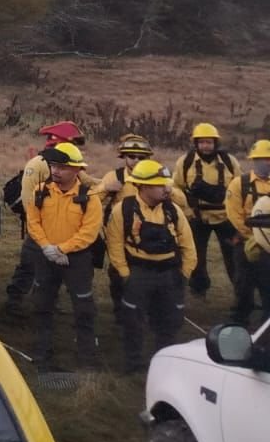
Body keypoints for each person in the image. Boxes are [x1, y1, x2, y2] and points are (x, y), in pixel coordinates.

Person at [107, 160, 196, 374]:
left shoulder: (173, 210)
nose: (167, 189)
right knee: (133, 321)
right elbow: (115, 244)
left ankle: (165, 364)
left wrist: (184, 273)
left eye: (166, 184)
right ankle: (134, 364)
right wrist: (125, 274)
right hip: (138, 274)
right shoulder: (123, 210)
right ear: (143, 186)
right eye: (159, 185)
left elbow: (188, 244)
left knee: (170, 322)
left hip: (170, 274)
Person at [25, 144, 103, 368]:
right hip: (46, 257)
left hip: (77, 261)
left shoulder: (89, 197)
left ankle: (86, 355)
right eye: (53, 166)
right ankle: (42, 350)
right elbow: (33, 222)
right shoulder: (40, 190)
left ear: (77, 169)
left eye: (62, 167)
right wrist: (46, 247)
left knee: (83, 307)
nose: (55, 171)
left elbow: (89, 232)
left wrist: (62, 249)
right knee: (42, 304)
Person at [4, 120, 86, 318]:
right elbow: (28, 200)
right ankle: (13, 303)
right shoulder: (37, 164)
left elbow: (84, 183)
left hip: (60, 228)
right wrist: (37, 227)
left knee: (54, 269)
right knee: (28, 266)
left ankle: (48, 302)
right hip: (39, 228)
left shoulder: (69, 164)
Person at [174, 122, 241, 296]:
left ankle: (242, 291)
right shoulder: (185, 162)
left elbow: (240, 188)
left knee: (234, 256)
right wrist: (187, 211)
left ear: (215, 143)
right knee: (196, 256)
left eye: (209, 142)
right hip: (197, 217)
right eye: (202, 142)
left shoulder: (230, 162)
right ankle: (199, 289)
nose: (205, 146)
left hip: (226, 217)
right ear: (196, 143)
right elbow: (176, 188)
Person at [95, 134, 151, 308]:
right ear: (124, 157)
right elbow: (92, 199)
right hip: (118, 234)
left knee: (146, 272)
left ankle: (143, 307)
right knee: (118, 272)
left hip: (148, 233)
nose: (136, 160)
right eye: (132, 156)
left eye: (141, 157)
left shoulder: (155, 176)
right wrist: (106, 188)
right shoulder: (114, 176)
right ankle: (120, 309)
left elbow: (177, 200)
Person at [226, 139, 270, 325]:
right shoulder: (239, 184)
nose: (267, 163)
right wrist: (254, 237)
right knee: (243, 285)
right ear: (254, 160)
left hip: (269, 247)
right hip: (245, 244)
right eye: (263, 159)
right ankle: (239, 322)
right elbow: (233, 214)